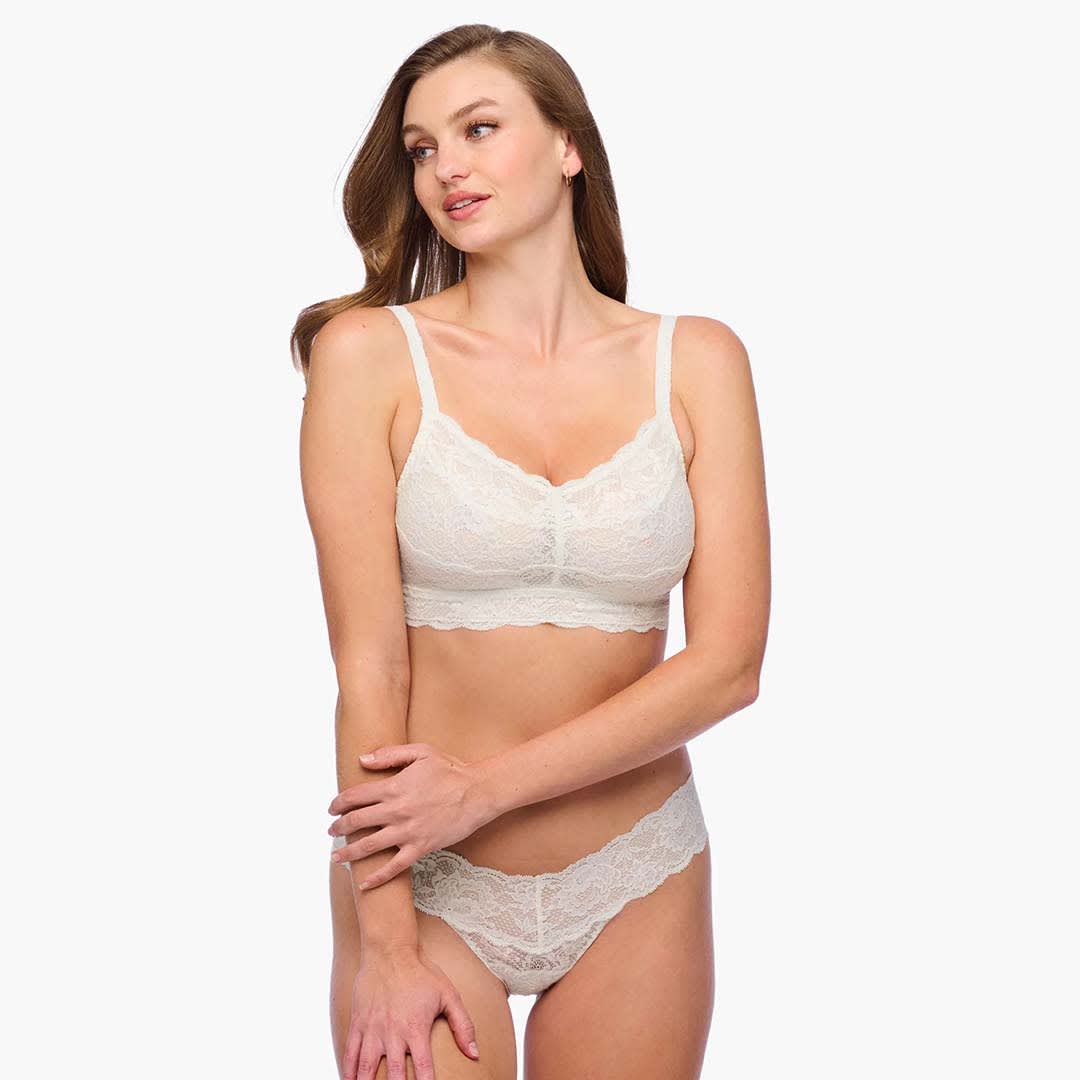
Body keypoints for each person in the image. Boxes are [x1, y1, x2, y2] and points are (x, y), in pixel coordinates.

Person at [292, 23, 770, 1080]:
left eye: (478, 129)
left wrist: (484, 786)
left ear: (568, 146)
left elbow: (729, 665)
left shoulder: (698, 362)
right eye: (421, 148)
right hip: (424, 881)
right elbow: (369, 668)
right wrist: (385, 945)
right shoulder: (369, 356)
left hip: (639, 873)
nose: (445, 168)